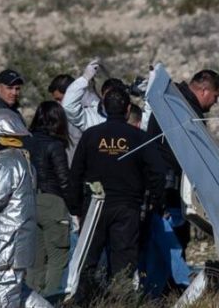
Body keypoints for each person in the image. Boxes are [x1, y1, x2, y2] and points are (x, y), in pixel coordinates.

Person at [69, 87, 166, 301]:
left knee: (88, 260)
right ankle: (121, 302)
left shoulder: (90, 136)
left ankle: (84, 302)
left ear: (103, 108)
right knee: (123, 262)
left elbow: (75, 173)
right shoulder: (138, 136)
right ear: (128, 108)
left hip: (95, 207)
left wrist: (75, 208)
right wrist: (153, 201)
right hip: (127, 208)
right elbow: (159, 171)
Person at [0, 106, 51, 308]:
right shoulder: (21, 160)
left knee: (0, 298)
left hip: (4, 248)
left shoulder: (6, 162)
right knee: (19, 295)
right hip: (14, 245)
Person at [147, 69, 219, 255]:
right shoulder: (183, 108)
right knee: (172, 238)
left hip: (164, 181)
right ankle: (171, 282)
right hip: (168, 185)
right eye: (216, 96)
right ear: (204, 90)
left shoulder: (175, 101)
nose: (216, 102)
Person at [24, 101, 73, 296]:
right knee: (57, 257)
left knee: (35, 260)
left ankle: (31, 299)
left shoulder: (25, 142)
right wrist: (75, 207)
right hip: (52, 201)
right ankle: (51, 299)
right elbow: (64, 180)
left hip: (28, 202)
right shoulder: (55, 145)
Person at [61, 58, 126, 133]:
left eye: (116, 96)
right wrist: (84, 79)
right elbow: (68, 106)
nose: (112, 99)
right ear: (102, 96)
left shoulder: (132, 115)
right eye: (109, 95)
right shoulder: (90, 118)